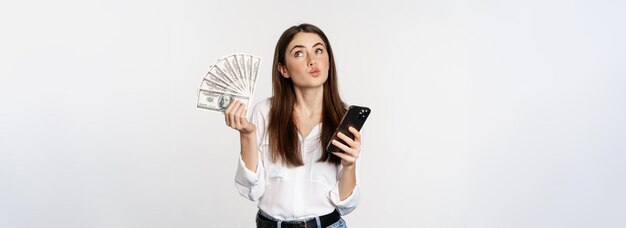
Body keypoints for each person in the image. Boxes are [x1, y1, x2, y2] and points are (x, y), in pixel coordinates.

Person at [224, 23, 362, 228]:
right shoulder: (265, 112)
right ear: (283, 69)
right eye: (299, 54)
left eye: (318, 50)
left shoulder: (345, 118)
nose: (312, 60)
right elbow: (251, 190)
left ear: (329, 61)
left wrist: (350, 165)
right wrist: (247, 136)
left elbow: (346, 204)